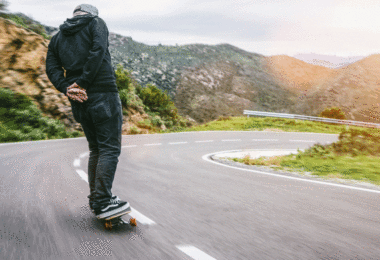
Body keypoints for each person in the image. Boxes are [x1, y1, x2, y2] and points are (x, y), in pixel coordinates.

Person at [45, 4, 130, 219]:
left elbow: (51, 68)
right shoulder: (96, 23)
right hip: (103, 94)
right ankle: (102, 201)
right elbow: (98, 51)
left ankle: (97, 198)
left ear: (74, 15)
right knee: (109, 149)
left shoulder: (57, 38)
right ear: (92, 14)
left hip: (79, 100)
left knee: (96, 149)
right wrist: (82, 83)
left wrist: (67, 88)